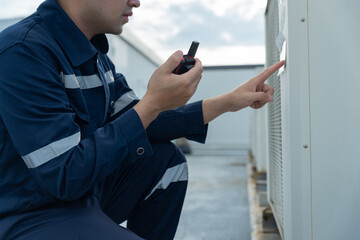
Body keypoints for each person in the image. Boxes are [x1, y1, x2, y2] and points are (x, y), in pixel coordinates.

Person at [0, 0, 284, 239]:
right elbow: (64, 175)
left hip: (80, 196)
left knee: (164, 160)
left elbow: (144, 120)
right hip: (28, 213)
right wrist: (152, 104)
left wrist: (230, 101)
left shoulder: (96, 58)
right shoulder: (23, 51)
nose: (136, 1)